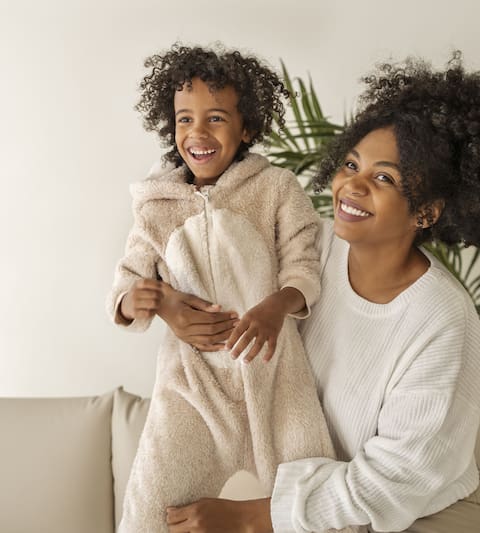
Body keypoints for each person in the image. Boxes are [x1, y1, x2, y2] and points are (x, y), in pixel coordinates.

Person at [160, 53, 480, 532]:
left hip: (422, 516)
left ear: (426, 211)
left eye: (384, 177)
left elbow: (394, 484)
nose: (352, 186)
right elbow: (205, 258)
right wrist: (168, 307)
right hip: (320, 508)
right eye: (350, 164)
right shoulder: (307, 249)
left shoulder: (443, 320)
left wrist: (247, 517)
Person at [107, 44, 348, 533]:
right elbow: (129, 283)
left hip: (276, 378)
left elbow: (305, 266)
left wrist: (276, 307)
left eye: (215, 119)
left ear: (247, 128)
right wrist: (155, 302)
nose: (197, 133)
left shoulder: (276, 189)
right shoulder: (154, 206)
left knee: (319, 509)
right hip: (191, 387)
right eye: (184, 120)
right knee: (149, 516)